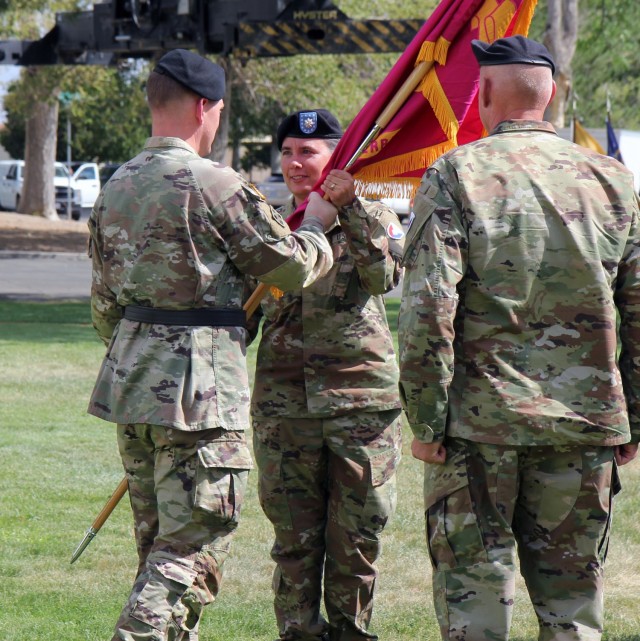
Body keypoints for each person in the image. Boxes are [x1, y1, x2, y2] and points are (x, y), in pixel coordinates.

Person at [87, 50, 338, 641]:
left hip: (131, 382)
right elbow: (293, 269)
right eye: (220, 112)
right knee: (195, 537)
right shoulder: (216, 182)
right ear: (205, 108)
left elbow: (103, 305)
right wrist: (318, 225)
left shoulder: (116, 184)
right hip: (198, 391)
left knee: (157, 544)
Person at [398, 35, 640, 641]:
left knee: (475, 611)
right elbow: (637, 310)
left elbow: (428, 309)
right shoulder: (613, 181)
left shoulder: (455, 174)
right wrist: (632, 414)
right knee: (574, 611)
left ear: (481, 95)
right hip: (582, 424)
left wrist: (426, 422)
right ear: (551, 94)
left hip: (479, 432)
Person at [249, 109, 405, 641]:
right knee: (293, 543)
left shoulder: (376, 215)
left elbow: (383, 276)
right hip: (284, 409)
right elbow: (239, 318)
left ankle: (352, 634)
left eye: (309, 153)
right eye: (288, 151)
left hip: (360, 407)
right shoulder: (269, 226)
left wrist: (351, 207)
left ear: (336, 159)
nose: (296, 163)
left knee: (356, 542)